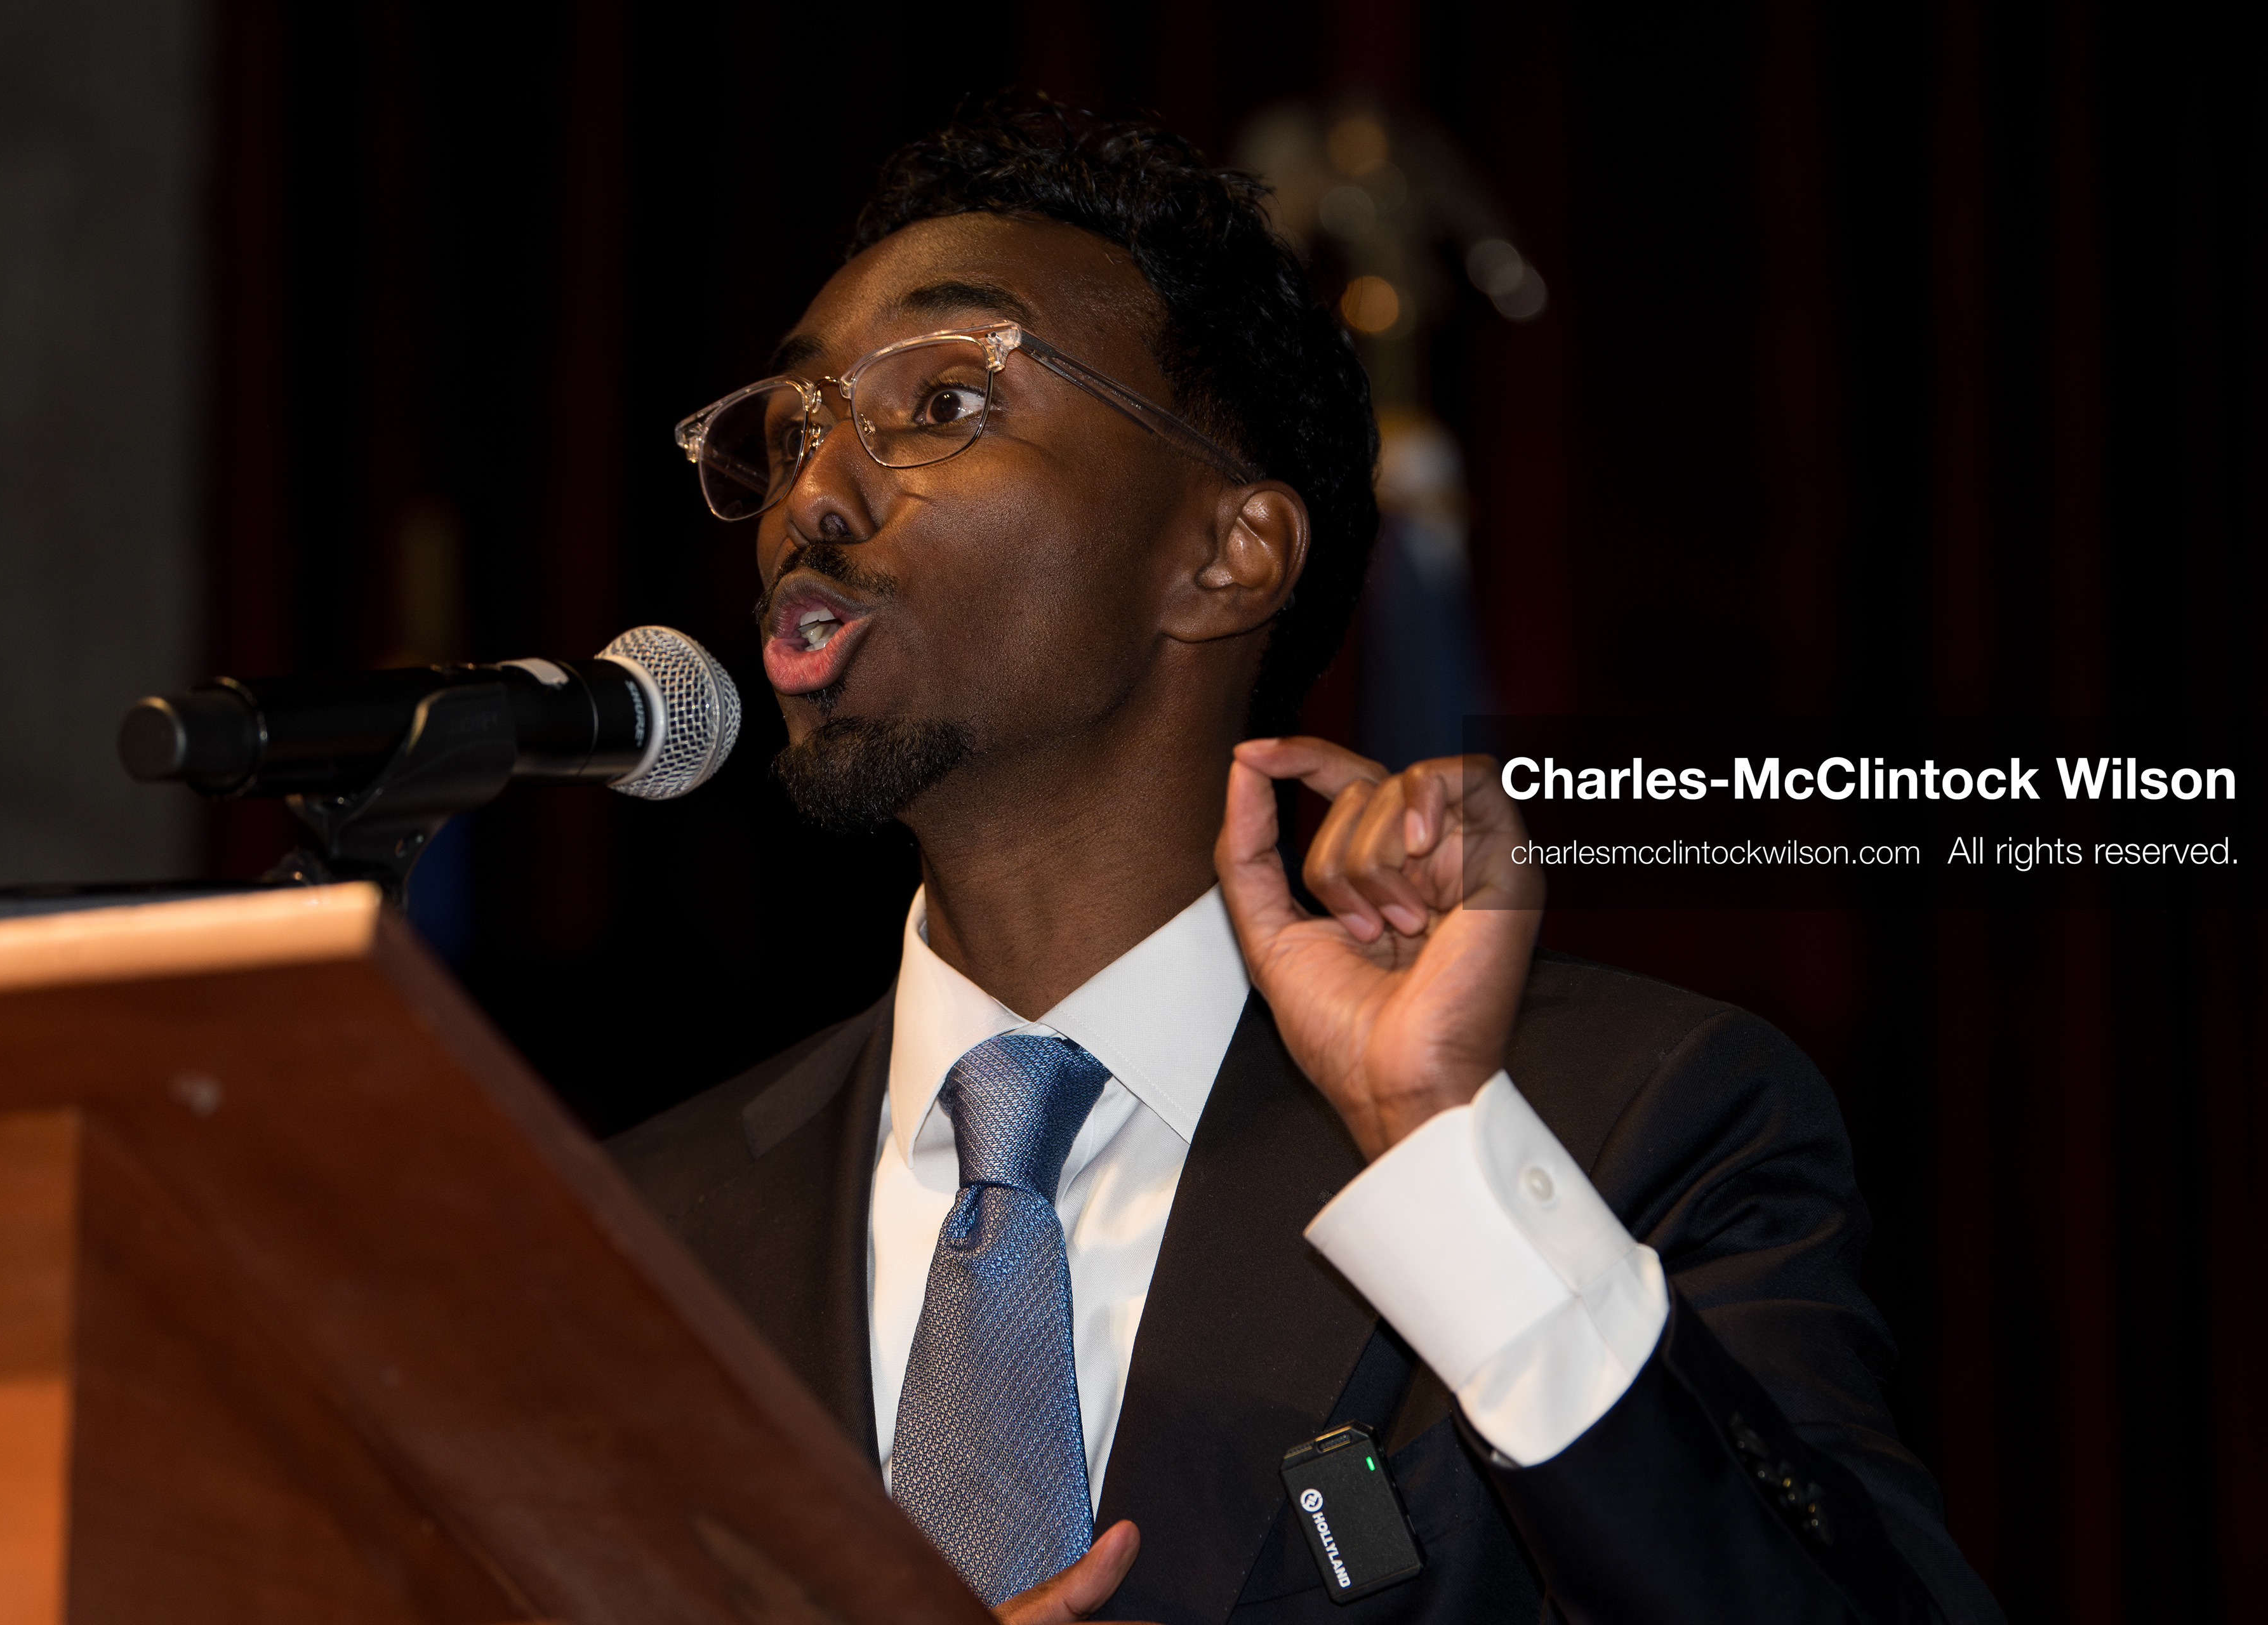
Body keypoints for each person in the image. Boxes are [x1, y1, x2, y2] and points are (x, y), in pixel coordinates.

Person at [611, 93, 2001, 1625]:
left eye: (943, 401)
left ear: (1225, 556)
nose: (812, 492)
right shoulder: (632, 1227)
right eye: (794, 424)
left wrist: (1435, 1148)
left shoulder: (1624, 1123)